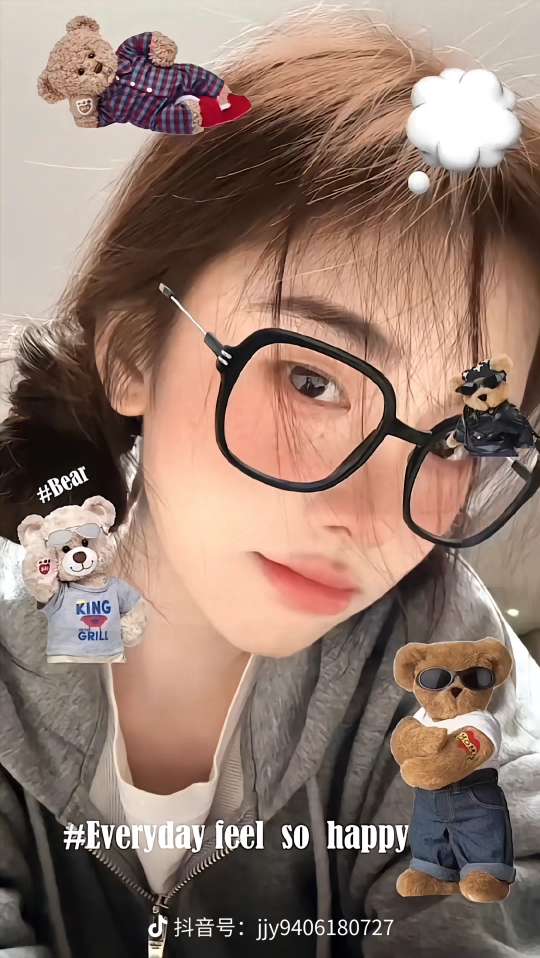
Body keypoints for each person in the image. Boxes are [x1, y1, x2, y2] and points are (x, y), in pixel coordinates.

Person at [0, 8, 539, 957]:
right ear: (133, 354)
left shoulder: (457, 682)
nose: (370, 518)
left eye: (457, 437)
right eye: (311, 380)